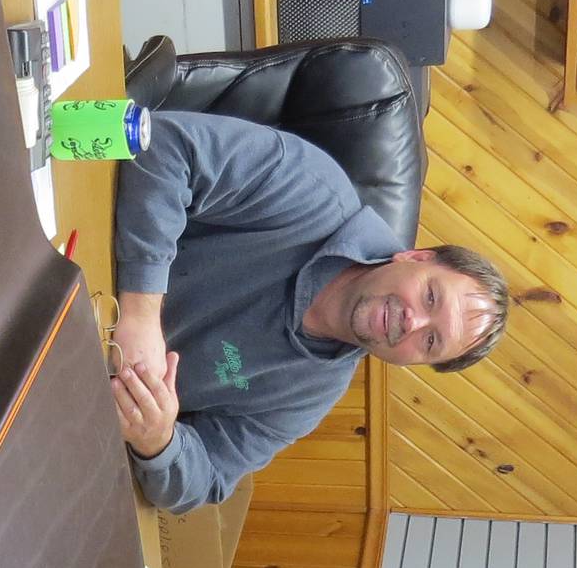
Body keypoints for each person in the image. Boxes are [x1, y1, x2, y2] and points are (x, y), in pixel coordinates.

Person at [109, 107, 507, 512]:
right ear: (416, 257)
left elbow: (206, 480)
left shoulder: (309, 395)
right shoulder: (312, 189)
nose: (413, 322)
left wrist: (157, 440)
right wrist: (140, 312)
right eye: (431, 297)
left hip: (81, 380)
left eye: (430, 340)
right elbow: (163, 142)